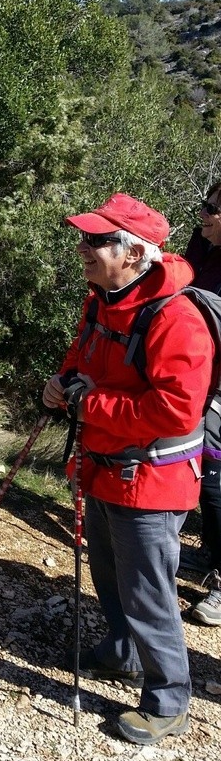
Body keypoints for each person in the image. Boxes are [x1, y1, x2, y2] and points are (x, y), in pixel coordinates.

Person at [42, 192, 213, 746]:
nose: (84, 248)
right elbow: (83, 353)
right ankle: (121, 651)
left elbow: (174, 410)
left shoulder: (176, 319)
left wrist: (87, 405)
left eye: (98, 240)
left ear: (135, 254)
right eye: (85, 237)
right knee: (109, 572)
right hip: (104, 466)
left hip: (152, 480)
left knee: (149, 590)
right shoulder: (104, 298)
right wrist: (61, 381)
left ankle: (168, 700)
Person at [181, 184, 221, 625]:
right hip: (198, 374)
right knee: (204, 473)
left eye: (213, 210)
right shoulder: (202, 242)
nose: (203, 214)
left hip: (217, 385)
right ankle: (210, 550)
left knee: (214, 477)